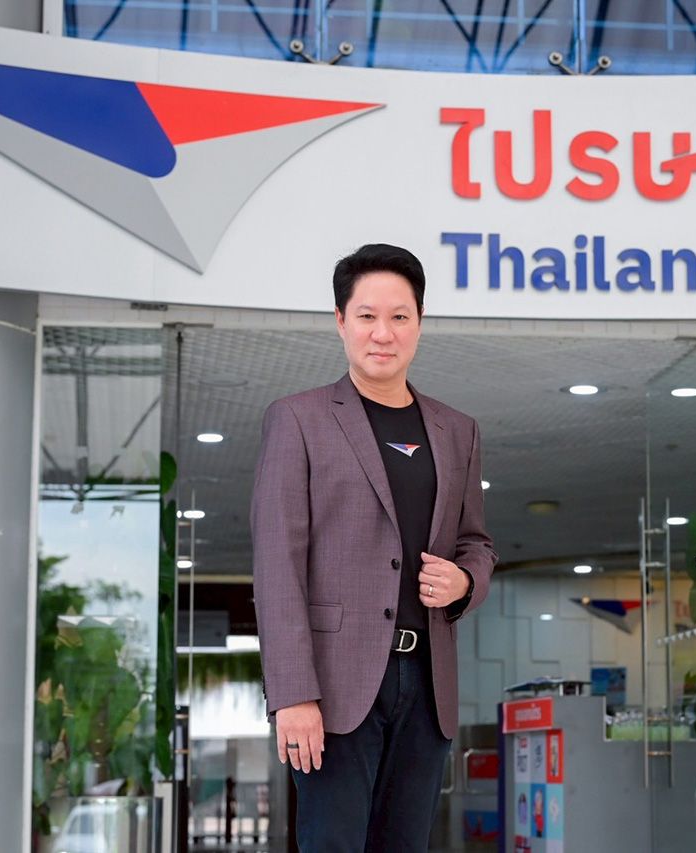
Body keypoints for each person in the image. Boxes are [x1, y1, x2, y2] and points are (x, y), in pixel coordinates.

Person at [251, 243, 498, 852]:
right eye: (366, 316)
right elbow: (278, 567)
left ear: (420, 322)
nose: (382, 333)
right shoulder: (298, 419)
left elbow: (476, 542)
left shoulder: (457, 430)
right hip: (334, 689)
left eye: (399, 316)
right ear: (341, 321)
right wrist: (293, 695)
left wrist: (466, 582)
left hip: (428, 687)